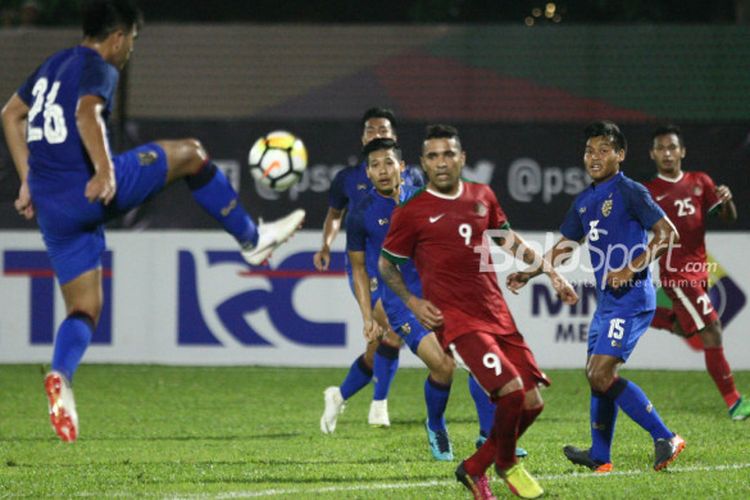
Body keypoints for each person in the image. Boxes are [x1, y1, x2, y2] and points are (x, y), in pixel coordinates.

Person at [0, 0, 304, 442]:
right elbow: (87, 113)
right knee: (192, 155)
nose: (131, 52)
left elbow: (10, 115)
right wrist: (105, 170)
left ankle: (61, 378)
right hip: (87, 189)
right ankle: (252, 238)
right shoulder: (98, 65)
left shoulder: (52, 64)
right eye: (133, 42)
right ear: (118, 37)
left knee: (85, 307)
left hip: (52, 206)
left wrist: (28, 180)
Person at [379, 124, 577, 499]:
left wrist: (550, 273)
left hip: (495, 312)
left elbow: (508, 240)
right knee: (512, 393)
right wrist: (413, 301)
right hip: (456, 320)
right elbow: (387, 266)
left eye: (448, 154)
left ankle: (474, 467)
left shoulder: (481, 195)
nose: (441, 162)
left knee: (533, 403)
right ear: (423, 162)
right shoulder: (412, 211)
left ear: (462, 158)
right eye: (433, 156)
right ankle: (505, 464)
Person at [507, 121, 685, 474]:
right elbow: (566, 246)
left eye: (604, 150)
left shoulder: (631, 190)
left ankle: (667, 437)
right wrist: (530, 273)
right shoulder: (585, 201)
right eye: (590, 150)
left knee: (601, 373)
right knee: (595, 375)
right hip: (608, 301)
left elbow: (668, 234)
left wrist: (630, 268)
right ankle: (600, 456)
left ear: (621, 155)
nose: (595, 157)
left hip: (633, 297)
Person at [316, 107, 423, 428]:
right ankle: (379, 405)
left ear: (394, 140)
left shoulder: (414, 178)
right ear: (362, 138)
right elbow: (335, 215)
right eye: (370, 130)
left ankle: (339, 395)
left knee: (383, 343)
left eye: (383, 130)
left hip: (405, 273)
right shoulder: (348, 180)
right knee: (391, 329)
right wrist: (325, 244)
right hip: (369, 272)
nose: (377, 135)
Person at [643, 125, 748, 420]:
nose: (667, 153)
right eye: (661, 148)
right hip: (677, 276)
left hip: (699, 272)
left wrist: (727, 201)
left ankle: (643, 312)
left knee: (685, 327)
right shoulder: (650, 192)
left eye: (672, 147)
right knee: (712, 329)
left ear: (682, 151)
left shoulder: (700, 181)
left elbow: (727, 217)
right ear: (653, 154)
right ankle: (735, 402)